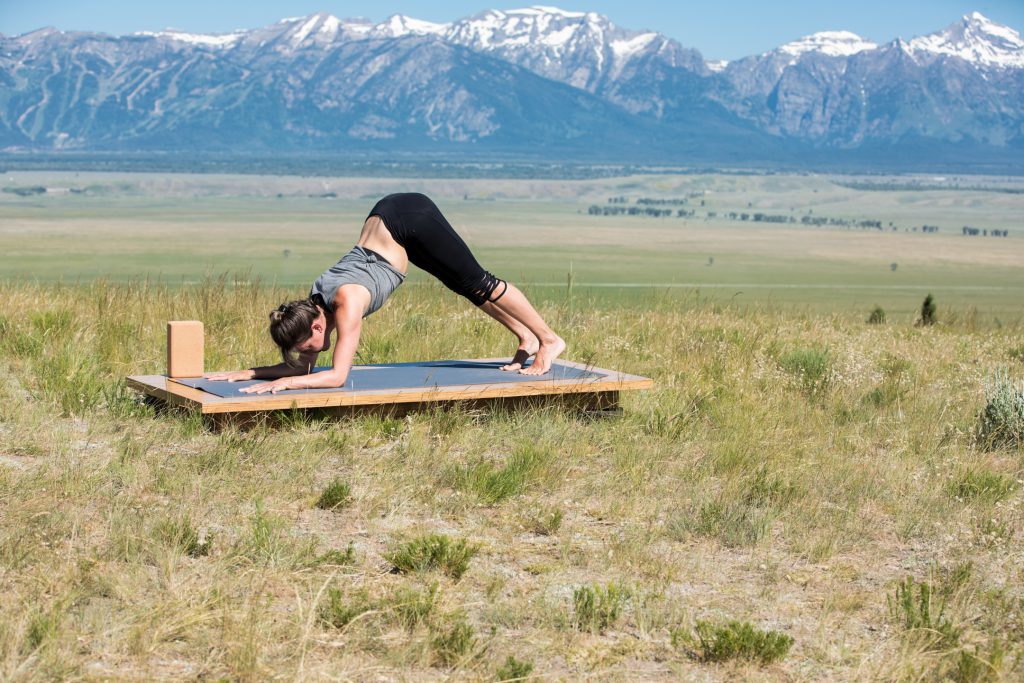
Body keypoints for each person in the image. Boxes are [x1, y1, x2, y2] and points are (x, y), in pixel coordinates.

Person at [206, 193, 565, 394]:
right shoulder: (310, 310)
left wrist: (286, 384)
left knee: (479, 281)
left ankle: (548, 340)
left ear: (317, 330)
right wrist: (249, 373)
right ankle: (525, 337)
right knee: (461, 285)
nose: (301, 358)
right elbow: (300, 367)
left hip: (410, 219)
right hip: (385, 221)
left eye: (301, 349)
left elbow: (336, 377)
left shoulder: (345, 305)